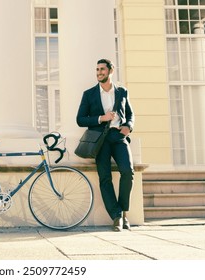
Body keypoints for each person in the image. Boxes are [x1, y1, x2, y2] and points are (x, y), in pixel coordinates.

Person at [76, 58, 135, 232]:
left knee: (128, 171)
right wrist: (102, 118)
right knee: (105, 178)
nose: (99, 72)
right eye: (97, 70)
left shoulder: (122, 91)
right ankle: (116, 216)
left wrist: (129, 127)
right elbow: (80, 119)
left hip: (118, 137)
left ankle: (124, 212)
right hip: (100, 140)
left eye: (102, 69)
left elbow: (131, 114)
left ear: (110, 71)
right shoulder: (89, 94)